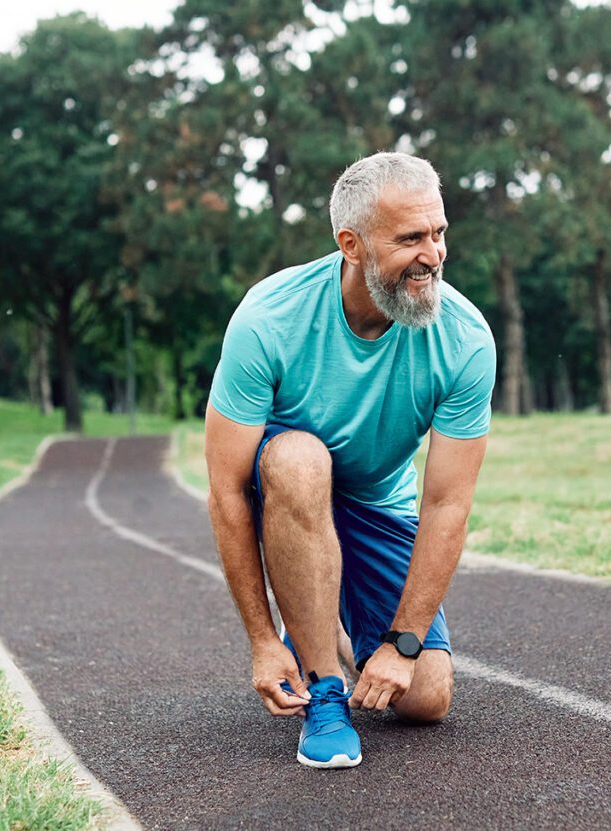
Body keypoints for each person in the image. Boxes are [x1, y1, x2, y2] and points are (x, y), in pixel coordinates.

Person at [204, 152, 496, 769]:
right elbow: (227, 489)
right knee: (302, 459)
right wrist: (260, 640)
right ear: (352, 244)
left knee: (426, 699)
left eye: (439, 233)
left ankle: (324, 620)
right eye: (410, 238)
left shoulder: (465, 339)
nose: (434, 254)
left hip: (372, 501)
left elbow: (447, 503)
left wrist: (402, 643)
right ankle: (325, 692)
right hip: (281, 486)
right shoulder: (268, 318)